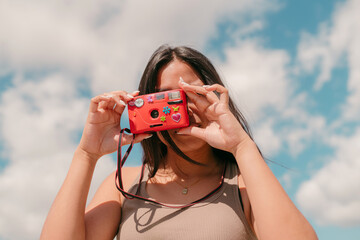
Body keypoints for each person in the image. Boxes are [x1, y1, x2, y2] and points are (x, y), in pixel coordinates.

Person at [41, 45, 318, 240]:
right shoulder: (124, 184)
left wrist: (241, 147)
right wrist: (86, 154)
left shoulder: (243, 183)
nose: (182, 113)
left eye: (191, 95)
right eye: (165, 99)